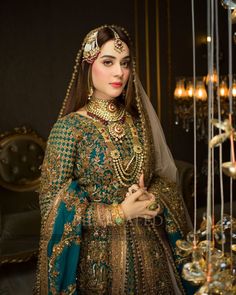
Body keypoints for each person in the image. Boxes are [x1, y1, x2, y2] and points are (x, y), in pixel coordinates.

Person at [35, 25, 192, 295]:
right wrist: (119, 213)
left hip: (151, 250)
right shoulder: (68, 129)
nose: (119, 72)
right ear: (88, 66)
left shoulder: (139, 123)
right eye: (108, 62)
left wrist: (152, 197)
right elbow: (52, 206)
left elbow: (162, 181)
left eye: (125, 63)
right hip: (96, 260)